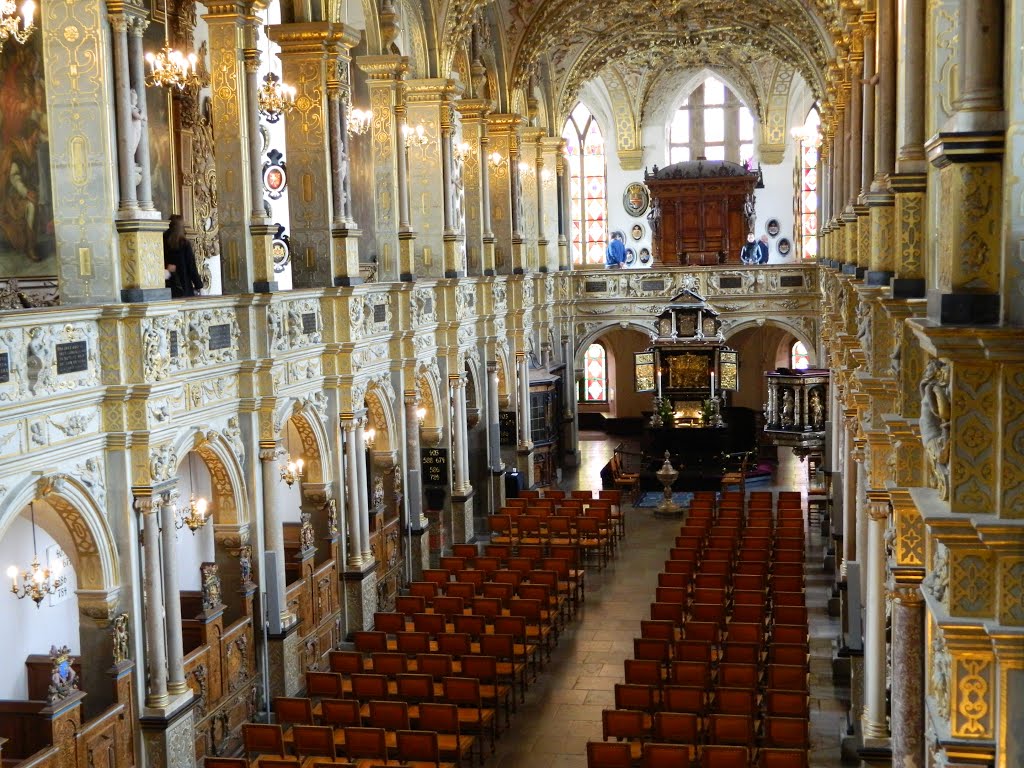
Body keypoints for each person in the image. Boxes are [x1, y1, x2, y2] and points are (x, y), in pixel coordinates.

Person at [163, 215, 204, 297]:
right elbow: (191, 267)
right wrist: (199, 285)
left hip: (167, 288)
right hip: (184, 287)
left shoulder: (161, 241)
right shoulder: (183, 243)